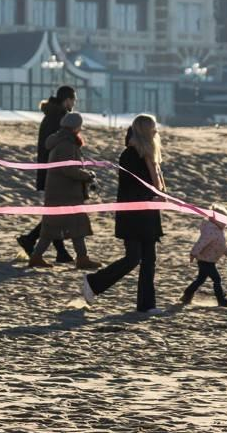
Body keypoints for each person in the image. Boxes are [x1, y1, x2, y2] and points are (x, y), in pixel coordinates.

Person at [81, 114, 165, 314]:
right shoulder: (130, 154)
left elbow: (157, 183)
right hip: (133, 214)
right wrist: (149, 197)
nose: (156, 132)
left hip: (148, 213)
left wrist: (158, 196)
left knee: (149, 259)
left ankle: (147, 305)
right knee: (133, 257)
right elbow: (130, 187)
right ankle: (93, 282)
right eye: (152, 128)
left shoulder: (149, 155)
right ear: (144, 130)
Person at [22, 112, 97, 269]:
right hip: (66, 193)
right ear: (76, 127)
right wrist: (87, 176)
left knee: (53, 228)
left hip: (59, 192)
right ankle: (80, 258)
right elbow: (68, 169)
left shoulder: (60, 140)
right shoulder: (66, 144)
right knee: (74, 226)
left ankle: (38, 257)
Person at [17, 86, 79, 262]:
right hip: (55, 172)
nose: (74, 103)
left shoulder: (53, 116)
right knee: (56, 213)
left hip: (50, 170)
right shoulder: (59, 118)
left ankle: (56, 250)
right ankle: (33, 241)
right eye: (73, 100)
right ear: (66, 99)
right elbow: (58, 146)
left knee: (55, 212)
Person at [179, 212, 227, 307]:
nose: (225, 223)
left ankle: (187, 295)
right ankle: (221, 300)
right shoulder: (210, 231)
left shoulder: (218, 230)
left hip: (210, 260)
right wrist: (193, 253)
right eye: (223, 220)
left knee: (200, 279)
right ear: (215, 219)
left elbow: (220, 245)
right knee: (216, 279)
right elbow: (201, 243)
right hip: (205, 260)